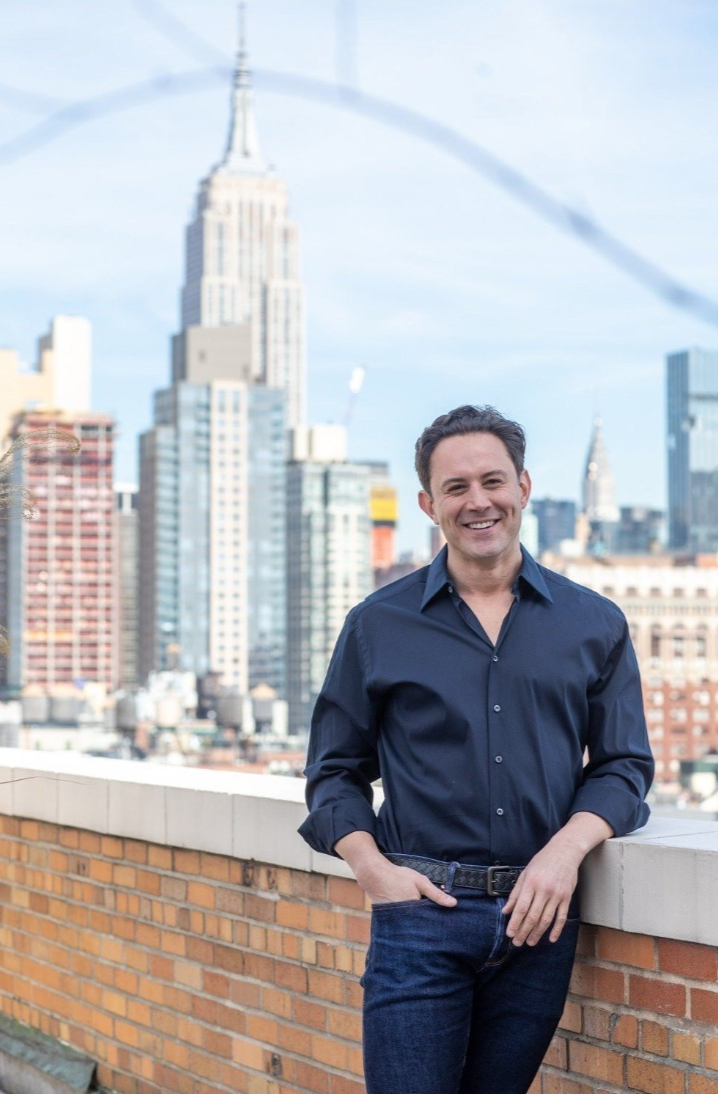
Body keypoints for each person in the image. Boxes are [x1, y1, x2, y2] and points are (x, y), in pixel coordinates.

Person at [298, 405, 654, 1094]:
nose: (478, 501)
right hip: (420, 916)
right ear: (429, 503)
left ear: (522, 485)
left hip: (539, 923)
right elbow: (335, 772)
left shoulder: (595, 622)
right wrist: (375, 873)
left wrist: (564, 853)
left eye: (493, 481)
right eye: (456, 488)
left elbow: (623, 765)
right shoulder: (377, 624)